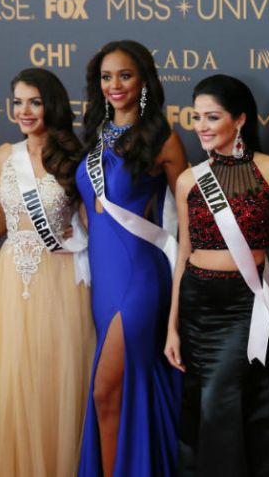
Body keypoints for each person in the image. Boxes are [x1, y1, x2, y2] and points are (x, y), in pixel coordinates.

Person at [163, 73, 269, 477]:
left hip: (245, 305)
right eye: (197, 117)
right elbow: (183, 256)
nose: (201, 126)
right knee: (206, 406)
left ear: (240, 119)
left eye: (212, 117)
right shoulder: (188, 180)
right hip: (197, 305)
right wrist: (173, 327)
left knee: (221, 404)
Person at [75, 40, 188, 477]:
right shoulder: (94, 135)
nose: (115, 85)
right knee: (115, 395)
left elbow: (188, 219)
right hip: (103, 281)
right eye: (107, 77)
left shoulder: (163, 139)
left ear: (143, 81)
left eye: (125, 75)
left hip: (139, 280)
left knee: (106, 391)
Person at [0, 67, 95, 477]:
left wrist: (80, 235)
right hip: (12, 279)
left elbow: (94, 225)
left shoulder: (75, 159)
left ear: (51, 105)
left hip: (61, 279)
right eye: (18, 102)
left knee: (55, 377)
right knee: (14, 377)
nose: (24, 111)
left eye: (34, 102)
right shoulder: (4, 156)